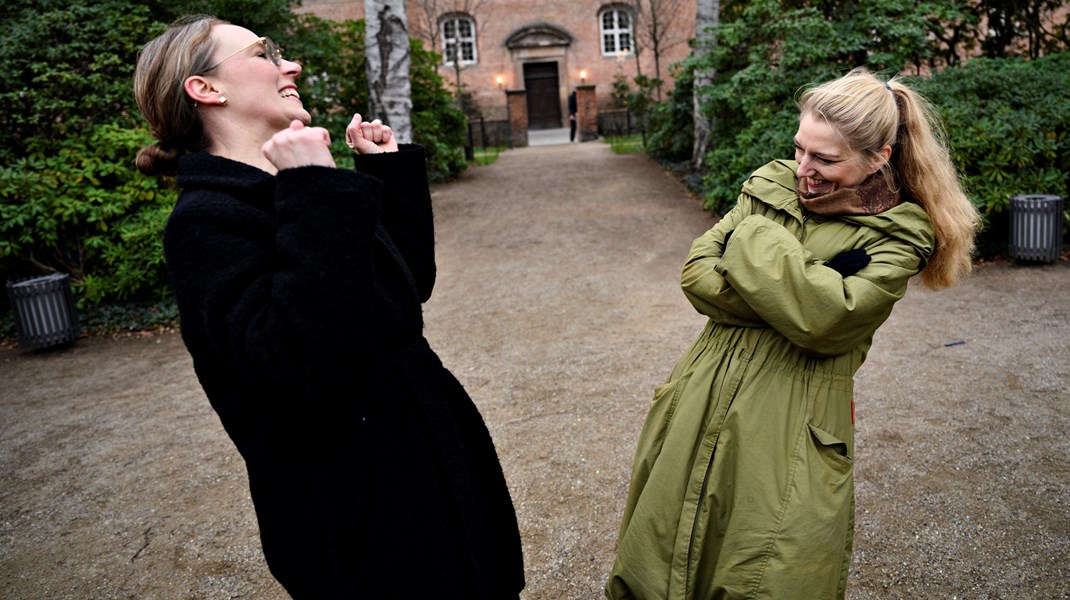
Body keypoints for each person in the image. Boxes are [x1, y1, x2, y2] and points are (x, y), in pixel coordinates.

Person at [133, 16, 525, 599]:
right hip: (359, 513)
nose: (289, 65)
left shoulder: (295, 184)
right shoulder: (206, 221)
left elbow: (403, 292)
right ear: (206, 88)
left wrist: (383, 174)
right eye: (263, 53)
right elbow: (296, 363)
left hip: (433, 459)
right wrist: (315, 192)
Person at [605, 68, 979, 599]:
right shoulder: (769, 181)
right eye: (800, 148)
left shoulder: (903, 232)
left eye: (826, 159)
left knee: (766, 575)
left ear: (880, 156)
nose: (803, 169)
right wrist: (801, 289)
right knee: (660, 560)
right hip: (700, 393)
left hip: (792, 424)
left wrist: (752, 238)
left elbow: (829, 322)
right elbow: (696, 277)